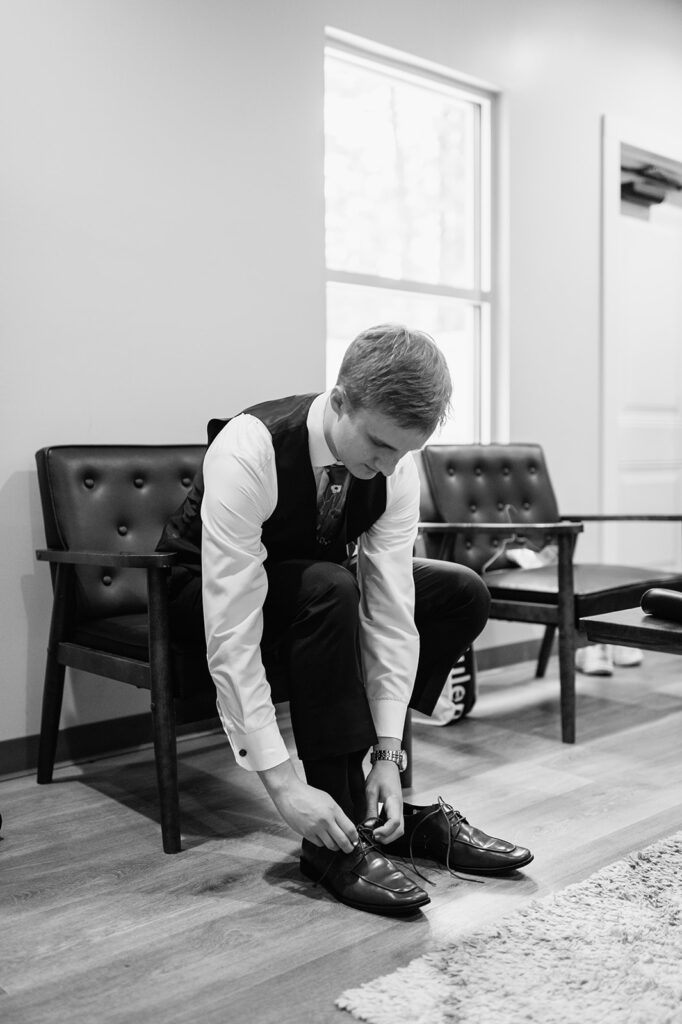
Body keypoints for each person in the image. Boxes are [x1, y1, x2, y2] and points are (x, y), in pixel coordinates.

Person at [158, 324, 533, 916]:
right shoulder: (248, 447)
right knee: (329, 586)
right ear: (339, 401)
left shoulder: (394, 468)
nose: (388, 466)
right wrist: (282, 787)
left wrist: (389, 752)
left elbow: (390, 608)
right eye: (379, 446)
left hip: (316, 598)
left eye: (404, 453)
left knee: (460, 591)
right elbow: (229, 626)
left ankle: (376, 811)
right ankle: (331, 839)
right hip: (195, 598)